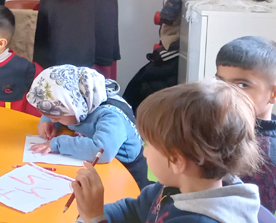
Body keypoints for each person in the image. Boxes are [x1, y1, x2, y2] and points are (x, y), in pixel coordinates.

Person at [73, 81, 262, 223]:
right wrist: (92, 214)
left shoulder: (198, 220)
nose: (144, 152)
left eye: (148, 144)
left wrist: (94, 218)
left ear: (176, 160)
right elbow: (132, 210)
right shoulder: (173, 186)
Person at [26, 65, 148, 189]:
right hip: (98, 167)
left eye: (56, 118)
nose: (53, 120)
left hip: (127, 175)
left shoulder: (111, 117)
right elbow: (57, 111)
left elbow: (102, 152)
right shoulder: (78, 105)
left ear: (75, 108)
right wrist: (46, 122)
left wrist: (57, 144)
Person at [215, 36, 276, 213]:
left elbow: (256, 215)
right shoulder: (218, 122)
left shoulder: (267, 155)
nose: (226, 92)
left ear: (273, 93)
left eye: (242, 85)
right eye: (220, 81)